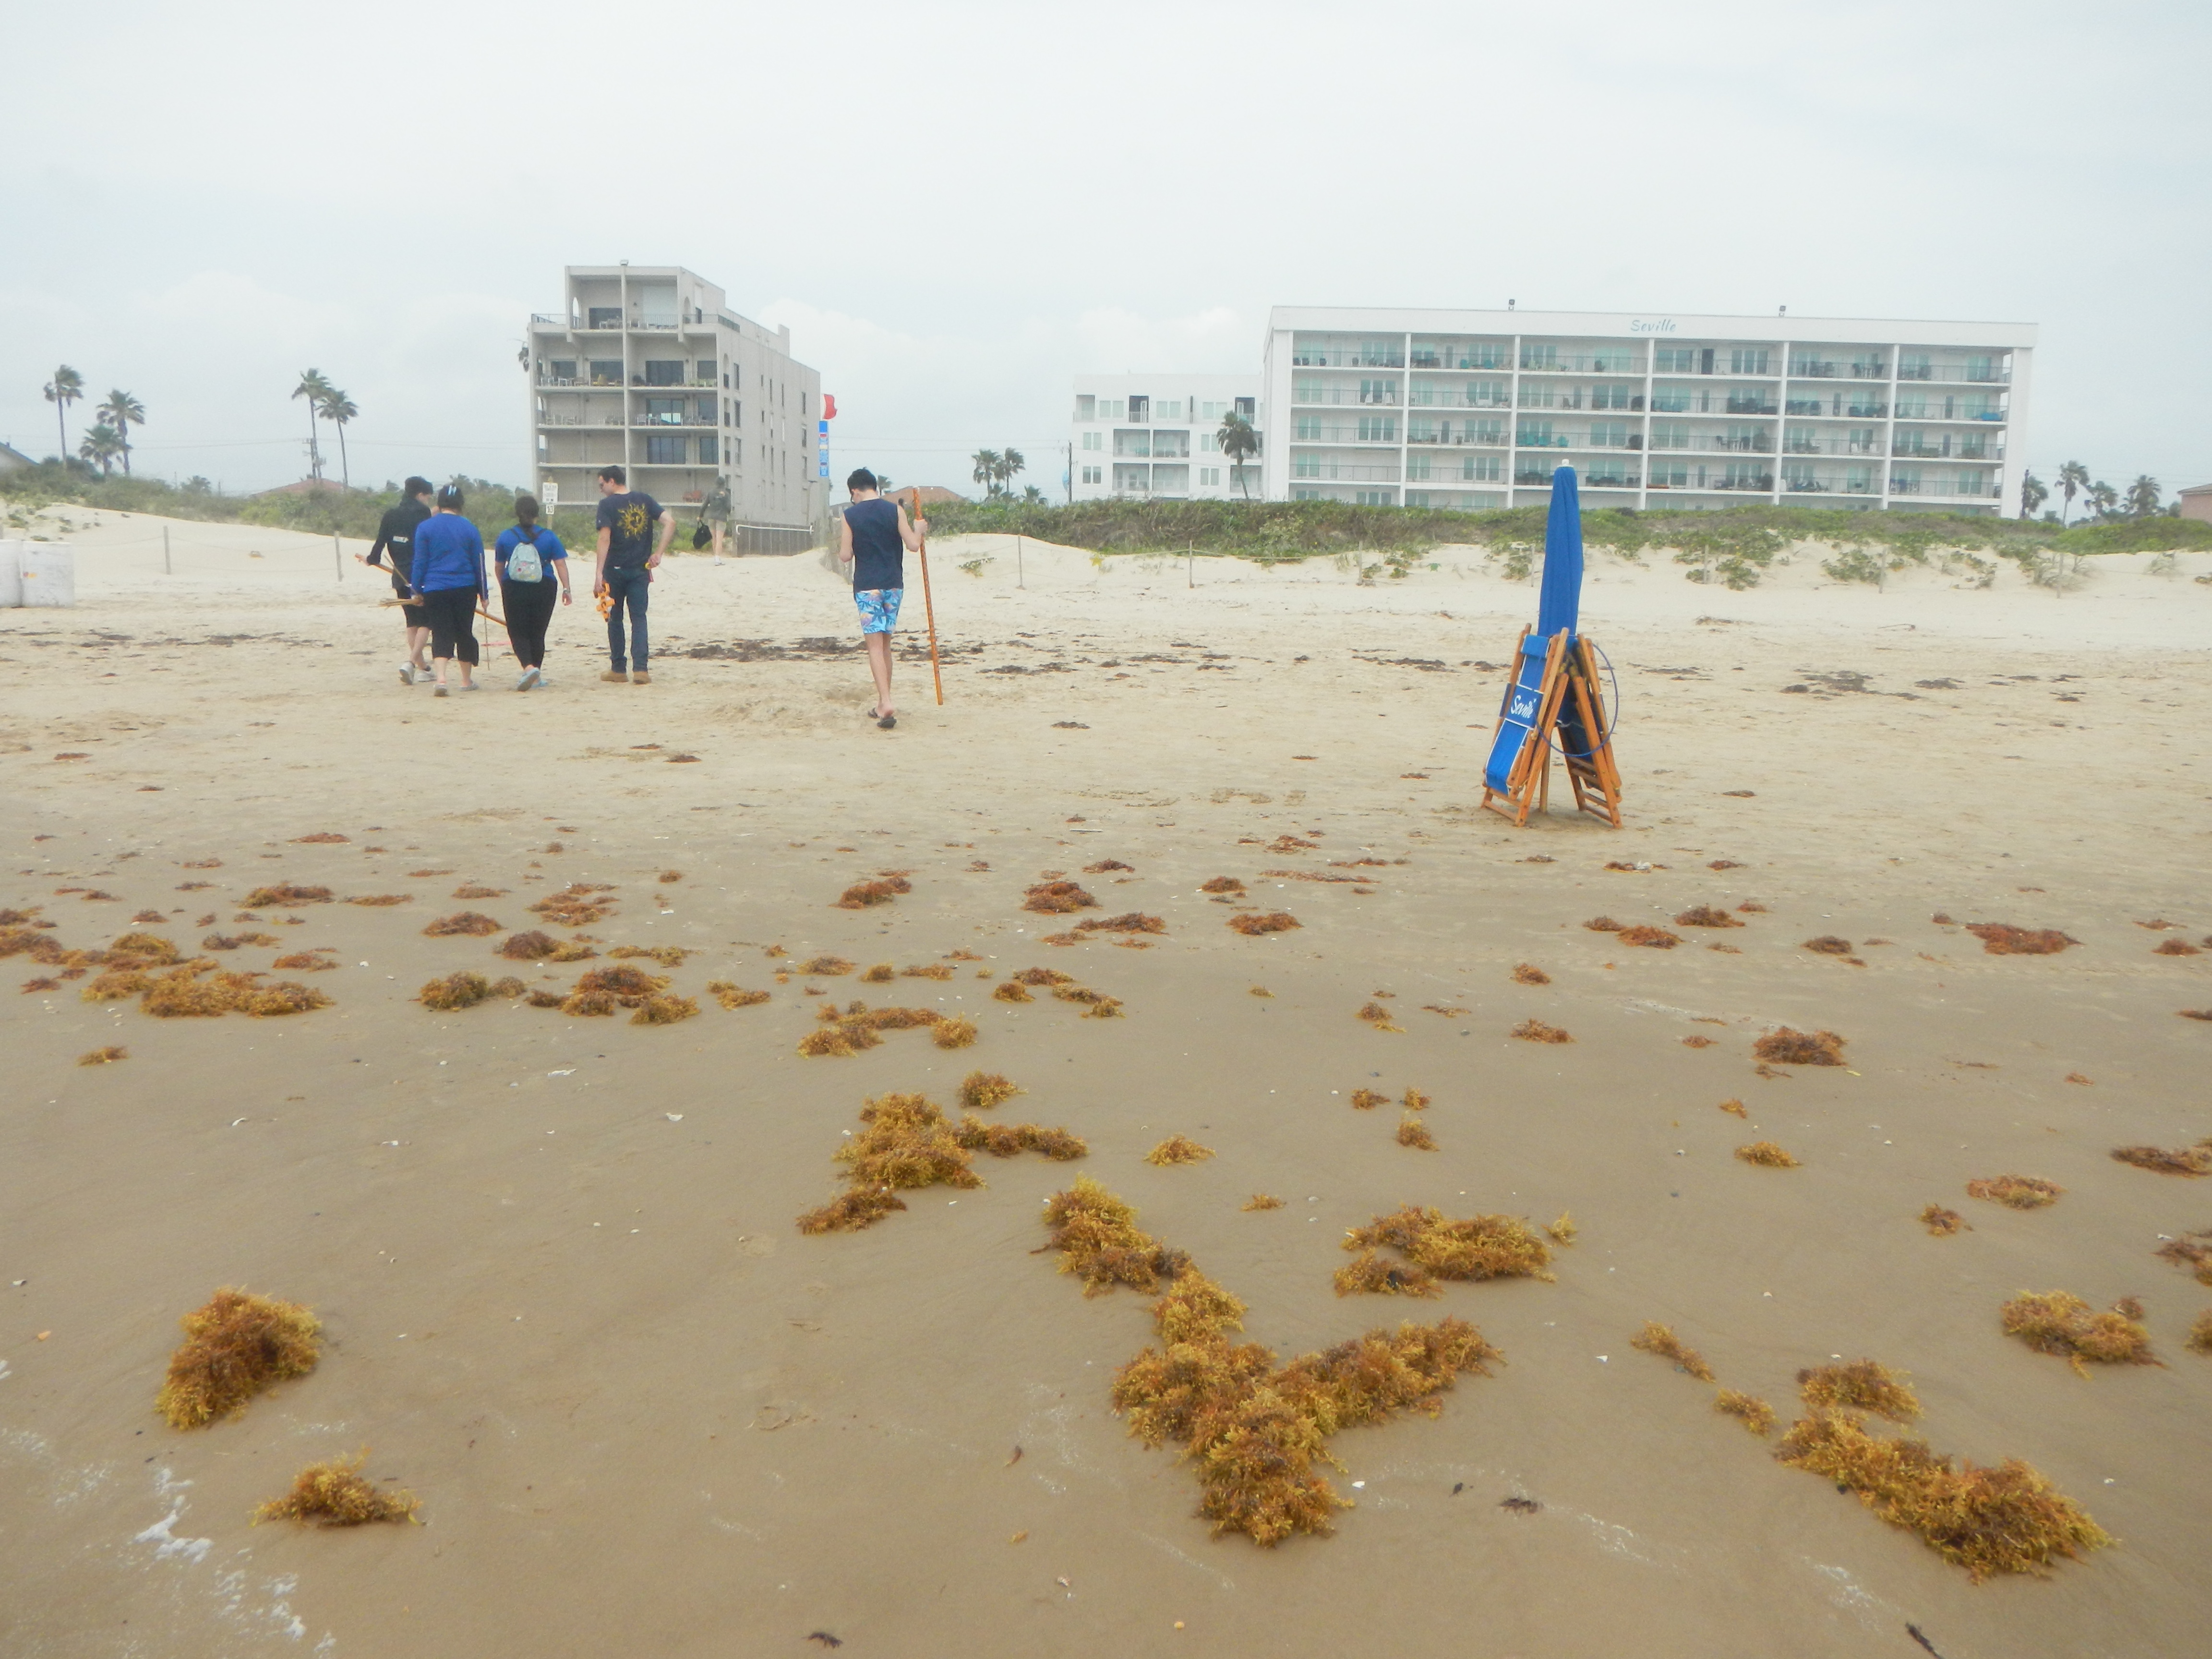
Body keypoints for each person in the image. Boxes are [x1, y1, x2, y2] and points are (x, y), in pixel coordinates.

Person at [835, 469, 926, 729]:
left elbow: (844, 556)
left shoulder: (850, 515)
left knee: (874, 646)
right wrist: (919, 529)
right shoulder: (895, 510)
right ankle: (882, 700)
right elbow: (912, 545)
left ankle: (885, 702)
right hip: (893, 585)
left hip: (867, 587)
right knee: (885, 644)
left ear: (855, 491)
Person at [593, 464, 673, 685]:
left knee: (615, 619)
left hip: (614, 570)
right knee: (639, 619)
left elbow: (604, 539)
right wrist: (658, 553)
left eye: (602, 484)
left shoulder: (607, 505)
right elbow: (670, 522)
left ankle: (619, 669)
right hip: (640, 570)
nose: (601, 489)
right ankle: (641, 670)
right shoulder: (644, 499)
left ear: (612, 481)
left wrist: (599, 574)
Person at [408, 483, 488, 697]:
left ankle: (442, 678)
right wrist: (484, 594)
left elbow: (420, 562)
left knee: (441, 632)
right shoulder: (469, 527)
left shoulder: (425, 527)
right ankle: (465, 680)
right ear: (460, 503)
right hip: (465, 587)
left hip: (435, 587)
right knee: (464, 632)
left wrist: (415, 590)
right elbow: (479, 562)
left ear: (440, 503)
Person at [493, 493, 571, 691]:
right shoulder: (549, 536)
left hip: (515, 586)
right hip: (544, 585)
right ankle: (535, 675)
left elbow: (499, 566)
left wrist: (505, 586)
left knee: (517, 631)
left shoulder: (506, 536)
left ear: (517, 514)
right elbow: (560, 564)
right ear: (537, 514)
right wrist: (566, 589)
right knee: (538, 632)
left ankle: (529, 668)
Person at [362, 476, 434, 682]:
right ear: (420, 495)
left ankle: (423, 668)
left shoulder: (390, 515)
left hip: (399, 576)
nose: (427, 501)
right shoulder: (422, 513)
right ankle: (411, 663)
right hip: (420, 576)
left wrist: (369, 560)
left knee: (412, 622)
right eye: (427, 497)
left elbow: (377, 551)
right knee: (427, 622)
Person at [703, 474, 733, 564]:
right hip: (721, 517)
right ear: (724, 484)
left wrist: (700, 515)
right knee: (720, 539)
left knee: (714, 538)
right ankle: (717, 558)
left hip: (711, 517)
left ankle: (715, 558)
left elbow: (704, 505)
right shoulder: (727, 494)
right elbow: (729, 507)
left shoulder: (711, 493)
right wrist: (728, 513)